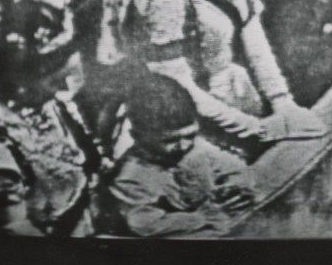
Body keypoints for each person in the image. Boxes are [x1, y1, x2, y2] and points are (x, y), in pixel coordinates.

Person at [96, 0, 325, 155]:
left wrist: (282, 103)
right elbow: (175, 83)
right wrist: (254, 129)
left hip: (240, 97)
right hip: (190, 129)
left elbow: (249, 26)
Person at [0, 0, 101, 237]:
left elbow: (85, 160)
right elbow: (7, 222)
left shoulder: (51, 106)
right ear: (23, 75)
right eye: (52, 76)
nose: (63, 87)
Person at [108, 72, 256, 238]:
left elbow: (234, 167)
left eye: (190, 135)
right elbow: (144, 225)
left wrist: (235, 188)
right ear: (138, 136)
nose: (184, 146)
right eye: (170, 140)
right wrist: (200, 217)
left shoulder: (196, 147)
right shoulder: (132, 177)